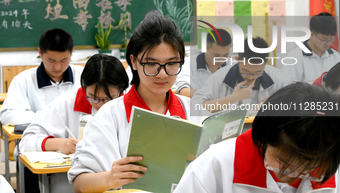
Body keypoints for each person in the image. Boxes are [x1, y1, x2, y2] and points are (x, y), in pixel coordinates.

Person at [68, 11, 198, 192]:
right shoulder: (110, 115)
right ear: (134, 62)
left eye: (171, 63)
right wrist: (110, 178)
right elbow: (79, 183)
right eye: (152, 64)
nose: (162, 73)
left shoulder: (192, 110)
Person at [174, 82, 340, 192]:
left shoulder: (330, 165)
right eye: (283, 163)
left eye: (308, 166)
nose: (293, 174)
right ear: (264, 137)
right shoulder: (215, 166)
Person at [19, 53, 128, 193]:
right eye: (94, 98)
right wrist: (60, 144)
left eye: (109, 99)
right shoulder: (66, 104)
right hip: (71, 183)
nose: (101, 105)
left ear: (121, 91)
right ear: (84, 87)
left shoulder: (128, 107)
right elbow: (26, 140)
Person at [0, 28, 84, 125]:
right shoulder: (24, 80)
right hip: (39, 137)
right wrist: (48, 116)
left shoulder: (83, 76)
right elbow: (8, 116)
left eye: (64, 60)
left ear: (71, 52)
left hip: (77, 137)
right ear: (40, 53)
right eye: (51, 61)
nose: (57, 67)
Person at [192, 37, 289, 114]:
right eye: (245, 71)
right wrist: (234, 97)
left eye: (258, 72)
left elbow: (295, 94)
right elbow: (196, 106)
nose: (251, 77)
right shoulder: (219, 77)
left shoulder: (276, 76)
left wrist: (271, 100)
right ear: (237, 59)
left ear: (266, 63)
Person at [282, 12, 340, 83]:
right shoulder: (295, 58)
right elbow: (287, 88)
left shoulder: (336, 57)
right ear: (312, 34)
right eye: (324, 40)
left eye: (331, 39)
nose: (328, 43)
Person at [174, 28, 232, 97]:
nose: (221, 60)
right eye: (216, 55)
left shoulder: (230, 65)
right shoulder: (189, 64)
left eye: (225, 55)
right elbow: (183, 91)